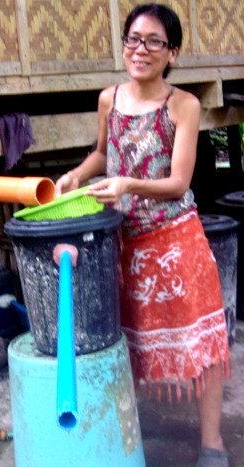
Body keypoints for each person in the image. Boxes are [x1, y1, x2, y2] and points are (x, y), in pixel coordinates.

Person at [55, 3, 230, 466]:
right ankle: (128, 439)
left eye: (154, 42)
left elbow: (178, 183)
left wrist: (128, 183)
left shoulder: (184, 105)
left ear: (172, 52)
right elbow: (102, 153)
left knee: (201, 341)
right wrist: (76, 175)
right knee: (126, 340)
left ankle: (212, 443)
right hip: (124, 243)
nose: (141, 49)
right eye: (133, 39)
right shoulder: (109, 98)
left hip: (176, 241)